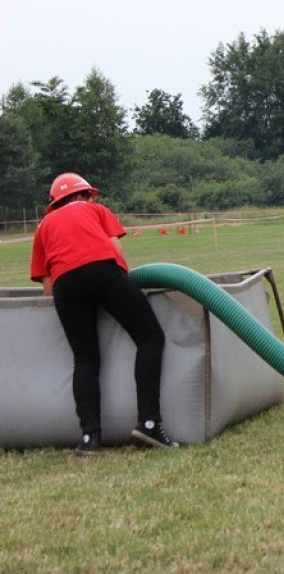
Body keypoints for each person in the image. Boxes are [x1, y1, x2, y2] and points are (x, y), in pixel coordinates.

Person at [29, 173, 177, 453]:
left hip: (64, 284)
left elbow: (47, 288)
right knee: (150, 337)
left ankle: (90, 438)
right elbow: (115, 250)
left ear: (56, 203)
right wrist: (116, 289)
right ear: (83, 195)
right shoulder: (96, 210)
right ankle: (148, 425)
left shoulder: (44, 226)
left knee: (85, 359)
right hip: (102, 269)